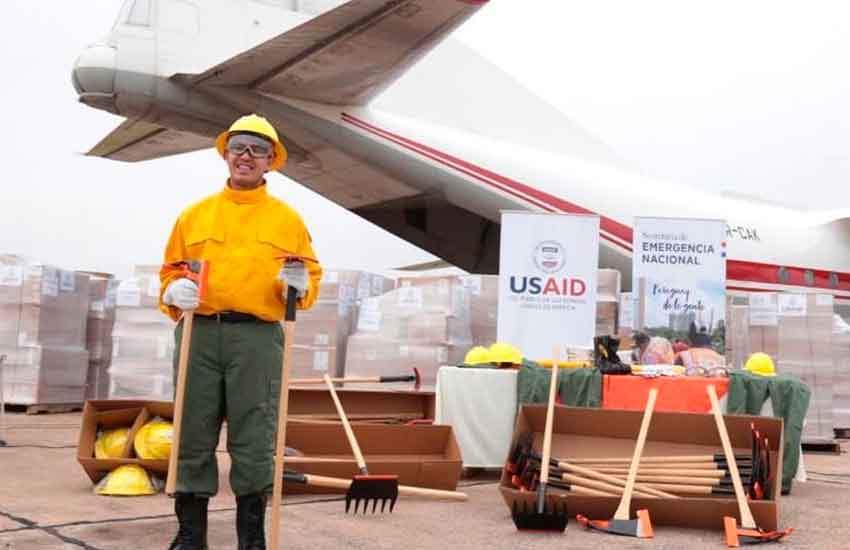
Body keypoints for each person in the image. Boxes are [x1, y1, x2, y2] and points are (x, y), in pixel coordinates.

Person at [158, 114, 322, 550]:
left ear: (271, 162)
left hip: (257, 337)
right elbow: (171, 268)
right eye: (239, 147)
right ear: (226, 154)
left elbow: (307, 275)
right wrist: (173, 288)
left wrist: (300, 286)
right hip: (199, 332)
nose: (246, 156)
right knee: (193, 430)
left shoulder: (287, 221)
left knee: (254, 435)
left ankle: (252, 535)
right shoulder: (194, 216)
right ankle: (191, 533)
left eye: (257, 150)